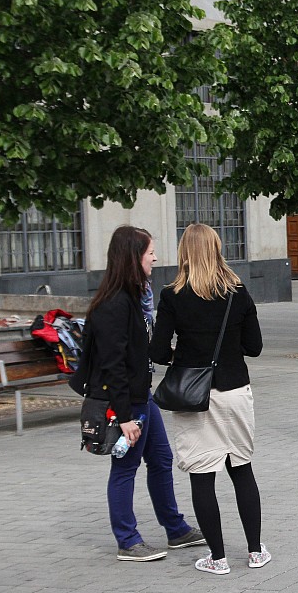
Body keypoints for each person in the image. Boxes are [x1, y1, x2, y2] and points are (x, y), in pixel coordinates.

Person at [150, 223, 268, 575]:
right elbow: (254, 347)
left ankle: (217, 558)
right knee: (241, 469)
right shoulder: (237, 292)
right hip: (235, 391)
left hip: (194, 396)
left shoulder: (172, 296)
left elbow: (158, 351)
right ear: (217, 249)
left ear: (184, 252)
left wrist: (185, 356)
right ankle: (255, 552)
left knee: (202, 476)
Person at [81, 226, 204, 561]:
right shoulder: (114, 304)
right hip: (126, 403)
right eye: (150, 252)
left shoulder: (135, 297)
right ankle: (128, 540)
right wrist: (124, 418)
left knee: (161, 459)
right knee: (125, 467)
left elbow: (138, 351)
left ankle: (176, 529)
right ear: (133, 257)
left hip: (142, 397)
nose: (155, 258)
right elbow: (112, 365)